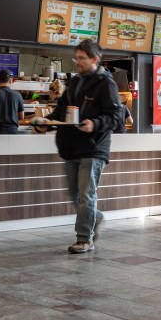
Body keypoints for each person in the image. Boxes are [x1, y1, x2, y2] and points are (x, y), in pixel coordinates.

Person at [34, 39, 122, 254]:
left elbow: (116, 118)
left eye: (82, 58)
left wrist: (94, 124)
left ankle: (84, 239)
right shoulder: (74, 83)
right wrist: (48, 123)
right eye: (76, 58)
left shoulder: (106, 84)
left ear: (95, 59)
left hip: (94, 148)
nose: (77, 62)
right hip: (71, 147)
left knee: (86, 195)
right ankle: (95, 217)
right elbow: (62, 111)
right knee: (74, 193)